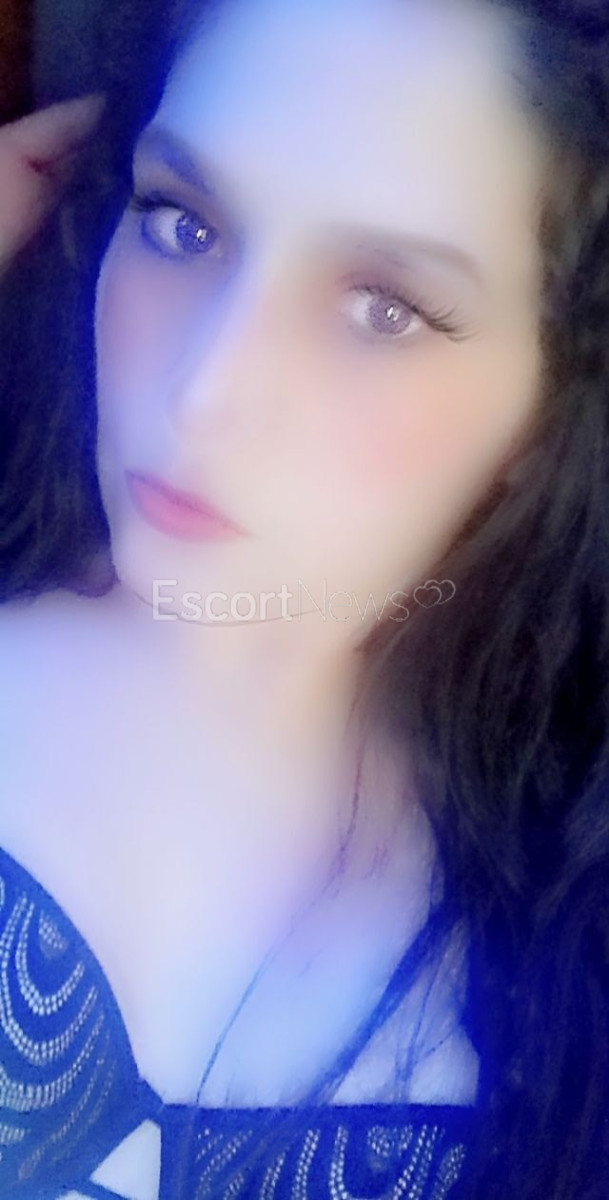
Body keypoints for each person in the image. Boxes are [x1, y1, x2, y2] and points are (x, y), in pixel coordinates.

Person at [0, 0, 607, 1196]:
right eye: (181, 223)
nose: (205, 391)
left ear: (553, 402)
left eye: (384, 308)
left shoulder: (565, 895)